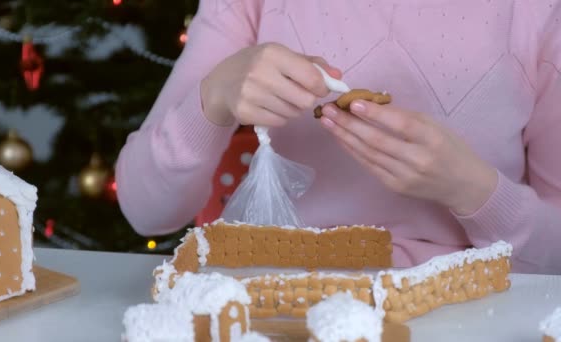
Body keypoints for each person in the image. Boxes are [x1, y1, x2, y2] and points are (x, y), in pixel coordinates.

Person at [115, 0, 561, 274]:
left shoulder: (539, 12)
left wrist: (474, 191)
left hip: (467, 311)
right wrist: (214, 95)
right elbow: (146, 210)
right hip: (270, 303)